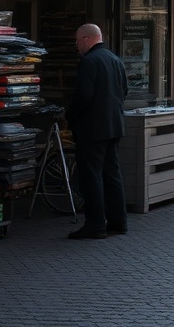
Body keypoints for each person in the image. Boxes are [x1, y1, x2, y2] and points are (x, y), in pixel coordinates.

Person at [64, 23, 128, 240]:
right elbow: (124, 91)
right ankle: (119, 221)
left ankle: (95, 225)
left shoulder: (89, 62)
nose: (76, 45)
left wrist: (70, 116)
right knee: (112, 174)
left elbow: (83, 96)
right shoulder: (115, 60)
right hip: (114, 126)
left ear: (85, 39)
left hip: (92, 129)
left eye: (76, 41)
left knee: (91, 177)